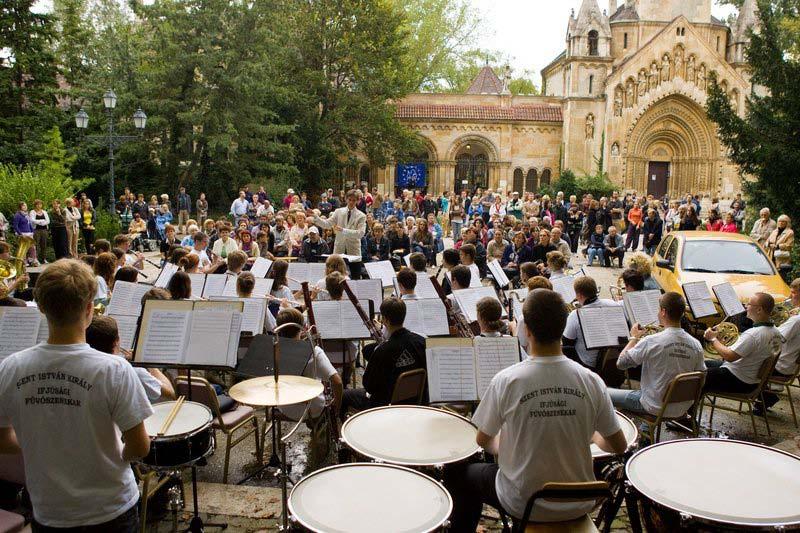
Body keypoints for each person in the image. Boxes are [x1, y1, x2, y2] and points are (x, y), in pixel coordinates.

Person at [444, 288, 626, 531]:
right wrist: (592, 434)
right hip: (579, 500)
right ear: (563, 328)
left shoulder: (507, 380)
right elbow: (618, 446)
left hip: (524, 502)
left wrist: (509, 449)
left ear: (526, 329)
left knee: (459, 475)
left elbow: (483, 440)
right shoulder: (591, 380)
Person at [0, 259, 152, 531]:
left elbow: (2, 439)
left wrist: (44, 444)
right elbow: (140, 447)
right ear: (89, 309)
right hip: (110, 508)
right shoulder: (114, 369)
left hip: (49, 510)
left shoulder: (11, 367)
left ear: (42, 308)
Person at [609, 292, 705, 418]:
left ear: (663, 312)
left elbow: (621, 364)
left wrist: (633, 338)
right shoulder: (696, 345)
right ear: (682, 313)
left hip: (653, 406)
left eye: (658, 310)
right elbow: (702, 377)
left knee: (603, 392)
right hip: (681, 408)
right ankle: (646, 431)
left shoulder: (651, 341)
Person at [274, 307, 342, 470]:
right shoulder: (314, 351)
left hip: (283, 406)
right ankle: (320, 444)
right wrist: (336, 407)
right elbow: (337, 382)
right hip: (310, 410)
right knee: (324, 405)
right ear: (302, 328)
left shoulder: (273, 349)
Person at [339, 297, 426, 418]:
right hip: (414, 401)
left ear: (385, 320)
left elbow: (369, 385)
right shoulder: (421, 342)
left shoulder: (382, 350)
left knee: (343, 395)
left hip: (385, 405)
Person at [703, 293, 783, 395]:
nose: (745, 306)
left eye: (749, 304)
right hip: (752, 380)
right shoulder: (776, 332)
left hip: (739, 380)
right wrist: (722, 343)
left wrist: (713, 339)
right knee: (703, 364)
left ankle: (690, 409)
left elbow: (729, 356)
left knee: (697, 375)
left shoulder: (754, 334)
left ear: (759, 310)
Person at [86, 315, 175, 403]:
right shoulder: (135, 372)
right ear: (116, 342)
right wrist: (147, 363)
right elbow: (170, 394)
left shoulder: (84, 367)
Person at [563, 276, 620, 369]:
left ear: (580, 296)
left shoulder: (575, 315)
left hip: (587, 363)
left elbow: (567, 343)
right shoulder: (612, 304)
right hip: (613, 359)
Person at [310, 189, 367, 279]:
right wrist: (315, 217)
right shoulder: (338, 212)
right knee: (335, 277)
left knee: (355, 278)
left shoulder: (361, 216)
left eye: (354, 200)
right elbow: (327, 224)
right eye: (349, 200)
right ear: (346, 199)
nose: (351, 202)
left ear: (357, 201)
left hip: (354, 251)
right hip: (339, 249)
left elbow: (360, 234)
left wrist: (343, 230)